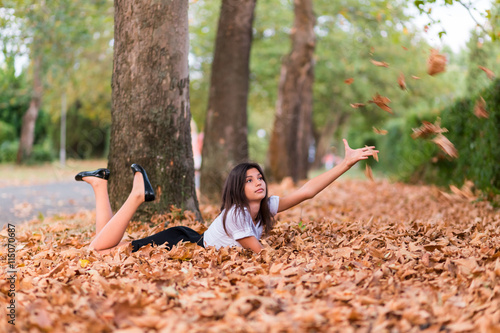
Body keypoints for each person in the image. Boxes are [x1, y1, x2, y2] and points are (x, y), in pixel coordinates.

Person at [77, 139, 377, 254]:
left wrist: (346, 163)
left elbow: (307, 191)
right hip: (180, 243)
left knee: (103, 249)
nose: (258, 182)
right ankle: (137, 195)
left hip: (191, 239)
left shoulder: (264, 206)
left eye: (259, 177)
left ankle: (100, 186)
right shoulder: (237, 215)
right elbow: (261, 253)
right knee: (98, 254)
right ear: (237, 189)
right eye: (249, 180)